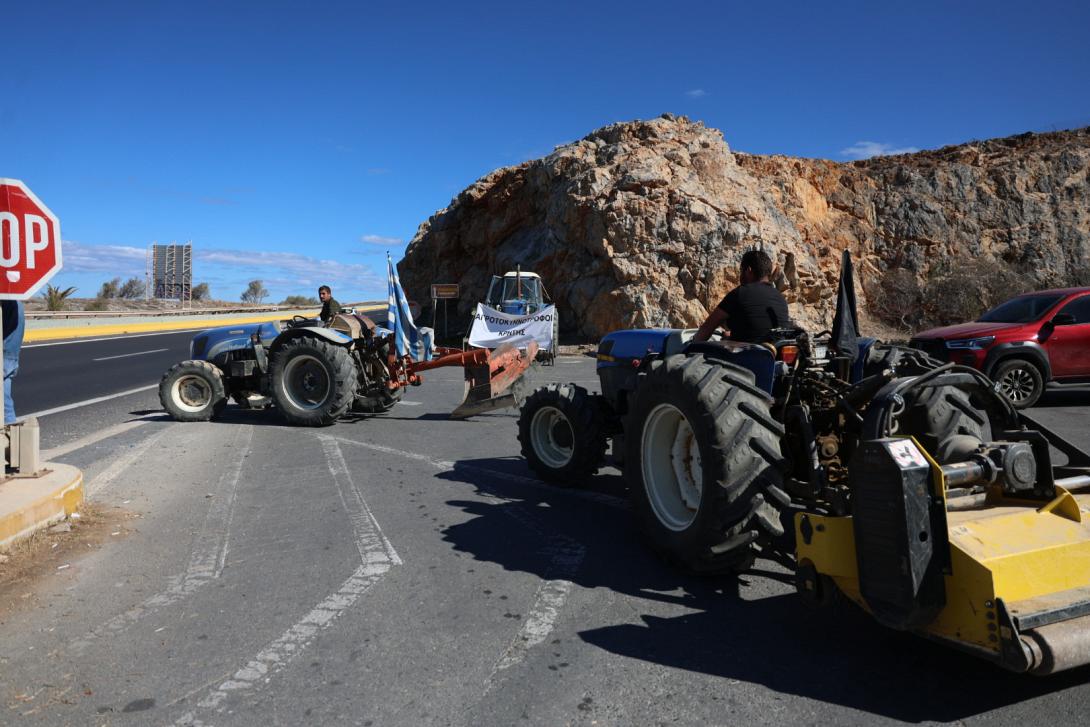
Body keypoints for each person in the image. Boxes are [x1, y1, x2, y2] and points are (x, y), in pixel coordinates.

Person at [693, 249, 790, 343]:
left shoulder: (740, 293)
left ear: (748, 270)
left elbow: (707, 328)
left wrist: (690, 347)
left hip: (748, 356)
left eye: (741, 270)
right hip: (774, 355)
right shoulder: (780, 298)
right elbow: (761, 329)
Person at [2, 300, 24, 424]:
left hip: (4, 356)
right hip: (9, 356)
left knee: (4, 407)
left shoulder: (8, 303)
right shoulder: (15, 303)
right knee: (5, 406)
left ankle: (9, 440)